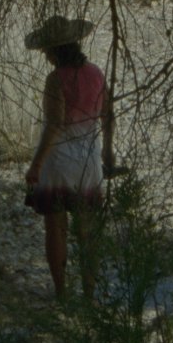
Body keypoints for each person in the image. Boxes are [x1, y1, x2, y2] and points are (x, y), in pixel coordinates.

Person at [24, 15, 115, 300]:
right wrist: (108, 150)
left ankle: (62, 293)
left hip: (59, 163)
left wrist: (36, 164)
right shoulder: (96, 74)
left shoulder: (56, 80)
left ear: (54, 52)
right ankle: (89, 294)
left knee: (56, 229)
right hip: (89, 162)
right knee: (88, 232)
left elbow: (55, 124)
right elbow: (108, 115)